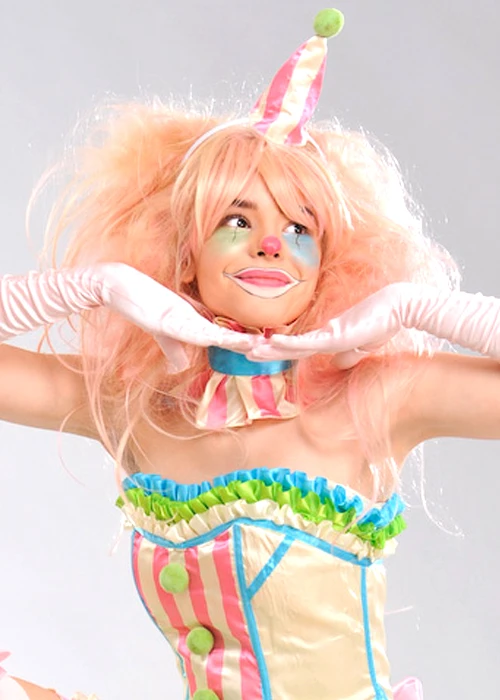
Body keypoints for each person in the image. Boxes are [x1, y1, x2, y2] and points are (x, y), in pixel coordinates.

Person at [1, 8, 499, 700]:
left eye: (300, 230)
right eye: (238, 220)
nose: (271, 244)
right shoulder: (138, 408)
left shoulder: (374, 400)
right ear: (185, 256)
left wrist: (416, 306)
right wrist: (94, 285)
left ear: (326, 266)